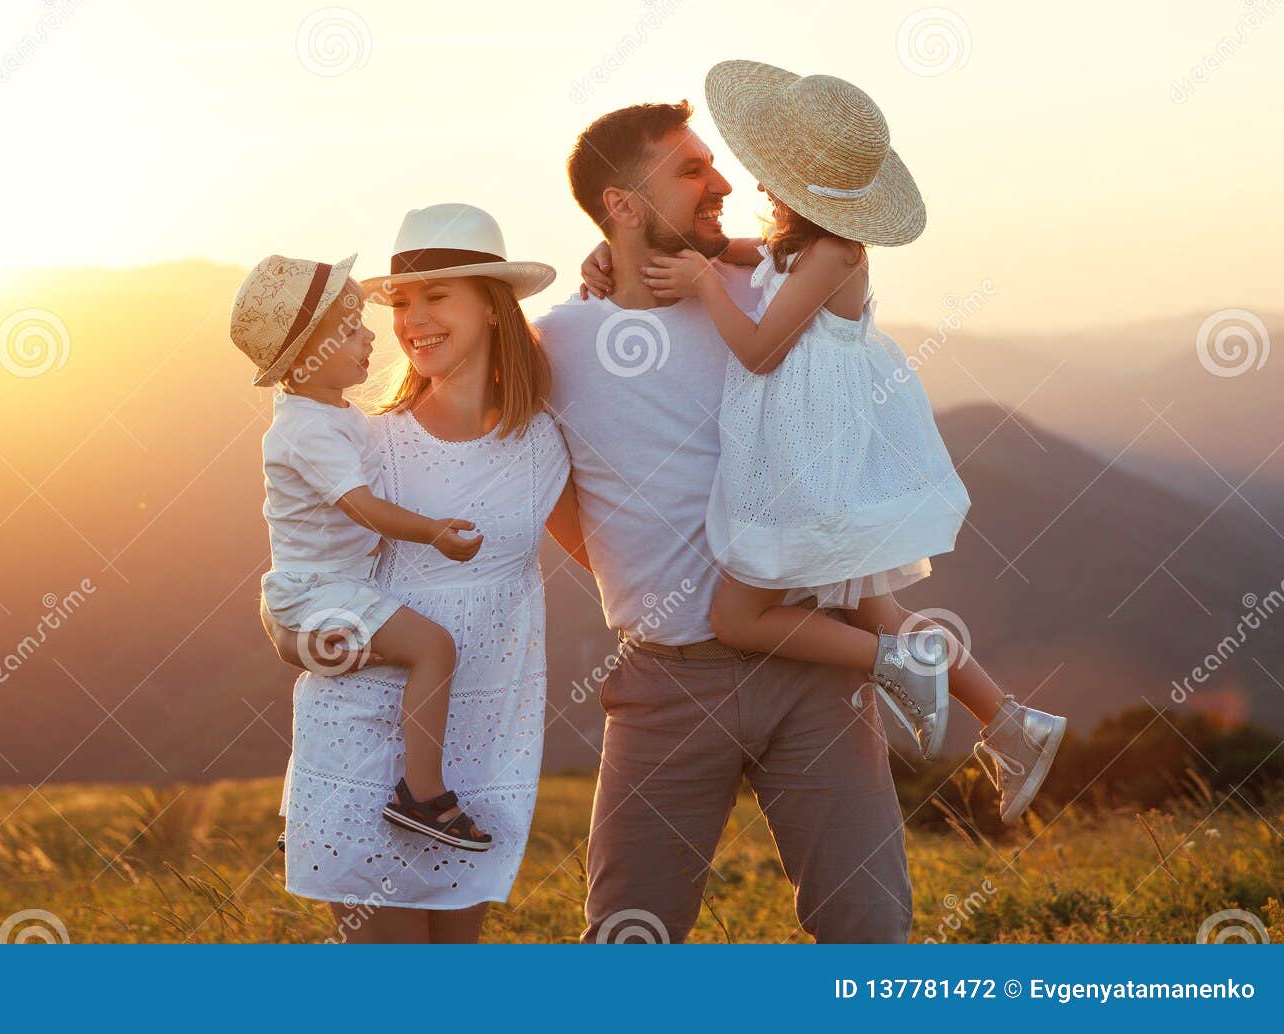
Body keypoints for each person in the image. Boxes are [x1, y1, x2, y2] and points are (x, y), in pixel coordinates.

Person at [582, 62, 1066, 824]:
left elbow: (761, 351)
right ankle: (1011, 722)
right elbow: (723, 251)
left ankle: (902, 668)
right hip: (813, 457)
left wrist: (706, 287)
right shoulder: (795, 245)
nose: (749, 184)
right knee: (877, 604)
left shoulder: (835, 252)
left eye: (763, 169)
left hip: (805, 468)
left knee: (744, 617)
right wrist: (614, 254)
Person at [540, 98, 913, 942]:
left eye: (713, 164)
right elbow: (536, 490)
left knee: (870, 933)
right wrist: (631, 578)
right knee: (631, 942)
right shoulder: (560, 342)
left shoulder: (770, 287)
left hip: (813, 668)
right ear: (621, 206)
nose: (725, 183)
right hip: (667, 684)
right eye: (691, 169)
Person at [261, 204, 584, 942]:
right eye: (402, 302)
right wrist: (284, 628)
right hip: (368, 746)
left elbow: (606, 555)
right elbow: (305, 570)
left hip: (483, 736)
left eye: (437, 296)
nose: (412, 320)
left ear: (493, 307)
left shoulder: (544, 441)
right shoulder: (373, 447)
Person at [232, 252, 494, 850]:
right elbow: (361, 506)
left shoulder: (331, 414)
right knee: (434, 648)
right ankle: (423, 795)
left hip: (322, 591)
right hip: (318, 593)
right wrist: (431, 531)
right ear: (303, 359)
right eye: (350, 328)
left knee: (358, 679)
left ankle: (320, 805)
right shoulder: (308, 430)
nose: (371, 333)